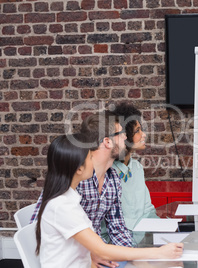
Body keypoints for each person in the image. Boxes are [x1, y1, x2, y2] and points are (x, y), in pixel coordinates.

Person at [35, 133, 183, 267]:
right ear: (79, 169)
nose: (93, 161)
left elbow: (92, 249)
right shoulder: (62, 206)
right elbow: (103, 250)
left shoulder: (69, 200)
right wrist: (158, 253)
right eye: (90, 157)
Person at [31, 111, 135, 268]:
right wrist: (93, 254)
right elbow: (37, 226)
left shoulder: (113, 178)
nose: (126, 137)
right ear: (107, 142)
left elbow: (118, 229)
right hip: (74, 260)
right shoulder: (76, 176)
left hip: (99, 257)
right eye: (121, 133)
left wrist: (131, 258)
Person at [101, 102, 158, 245]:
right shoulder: (107, 173)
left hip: (140, 241)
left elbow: (148, 210)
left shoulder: (137, 168)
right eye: (138, 131)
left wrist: (166, 229)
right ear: (124, 136)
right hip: (114, 245)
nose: (143, 135)